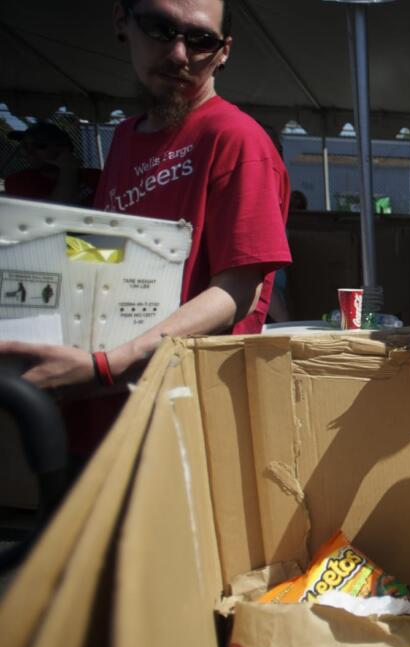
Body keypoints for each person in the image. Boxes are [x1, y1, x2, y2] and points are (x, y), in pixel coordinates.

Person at [0, 0, 291, 452]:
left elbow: (238, 290)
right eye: (160, 28)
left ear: (223, 51)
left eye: (200, 39)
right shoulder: (124, 137)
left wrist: (107, 366)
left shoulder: (235, 138)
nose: (178, 54)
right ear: (123, 22)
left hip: (179, 417)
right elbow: (109, 254)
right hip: (99, 407)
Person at [3, 122, 103, 206]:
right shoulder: (20, 181)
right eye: (25, 146)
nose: (29, 153)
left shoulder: (96, 177)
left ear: (64, 149)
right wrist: (68, 171)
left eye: (39, 146)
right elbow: (55, 213)